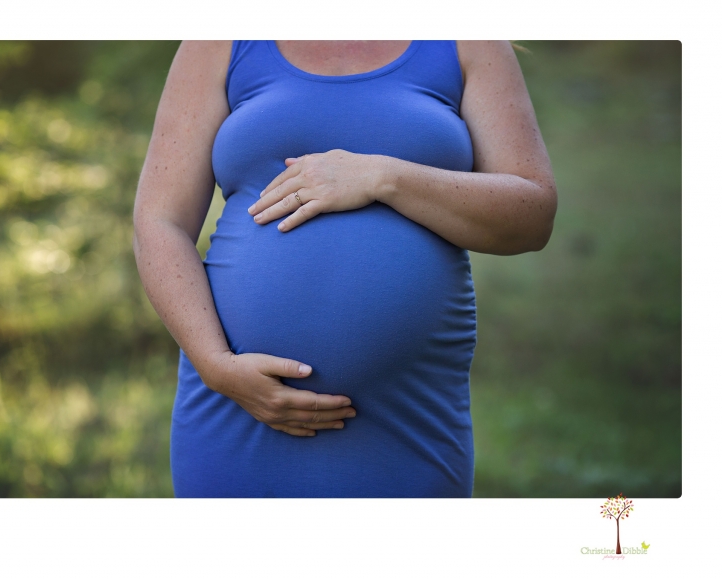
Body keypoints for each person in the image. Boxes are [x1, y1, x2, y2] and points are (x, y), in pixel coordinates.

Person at [132, 40, 556, 497]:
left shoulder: (468, 40)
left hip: (407, 418)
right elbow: (160, 221)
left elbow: (532, 215)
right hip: (238, 405)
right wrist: (215, 365)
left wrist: (383, 177)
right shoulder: (221, 39)